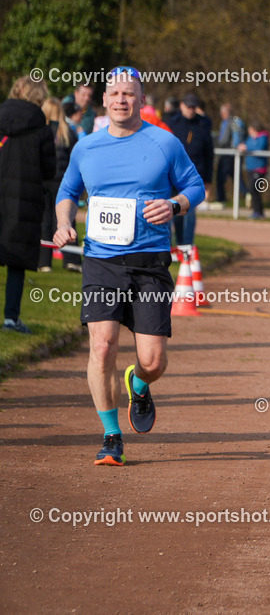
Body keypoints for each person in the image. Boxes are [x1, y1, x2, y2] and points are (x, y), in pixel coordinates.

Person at [53, 66, 205, 465]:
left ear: (141, 99)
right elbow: (67, 190)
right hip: (101, 260)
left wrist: (174, 205)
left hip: (150, 261)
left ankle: (137, 382)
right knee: (101, 347)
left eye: (129, 94)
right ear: (104, 100)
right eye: (115, 93)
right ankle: (111, 435)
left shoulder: (164, 142)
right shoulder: (86, 147)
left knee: (153, 360)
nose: (122, 100)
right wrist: (64, 223)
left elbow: (195, 186)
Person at [0, 76, 57, 333]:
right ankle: (11, 318)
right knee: (16, 262)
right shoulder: (42, 129)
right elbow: (49, 170)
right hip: (24, 200)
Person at [165, 93, 213, 245]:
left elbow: (209, 154)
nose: (191, 110)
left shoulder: (203, 125)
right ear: (181, 106)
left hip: (194, 176)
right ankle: (176, 244)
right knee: (174, 209)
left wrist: (207, 180)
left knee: (190, 212)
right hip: (172, 175)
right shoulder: (172, 123)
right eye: (188, 107)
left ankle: (187, 246)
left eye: (193, 107)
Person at [39, 97, 78, 271]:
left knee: (44, 221)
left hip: (44, 180)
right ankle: (72, 259)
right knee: (67, 220)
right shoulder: (68, 132)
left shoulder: (40, 132)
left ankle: (43, 262)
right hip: (63, 181)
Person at [215, 103, 247, 205]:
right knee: (236, 176)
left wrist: (216, 145)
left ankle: (220, 200)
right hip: (235, 153)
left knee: (220, 177)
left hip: (227, 154)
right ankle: (247, 194)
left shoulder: (226, 123)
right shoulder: (236, 121)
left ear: (224, 113)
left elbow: (223, 140)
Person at [238, 120, 269, 219]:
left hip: (259, 169)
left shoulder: (263, 137)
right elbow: (246, 145)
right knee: (253, 190)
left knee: (254, 189)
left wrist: (246, 147)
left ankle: (258, 212)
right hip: (251, 168)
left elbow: (259, 147)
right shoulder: (251, 138)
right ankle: (257, 211)